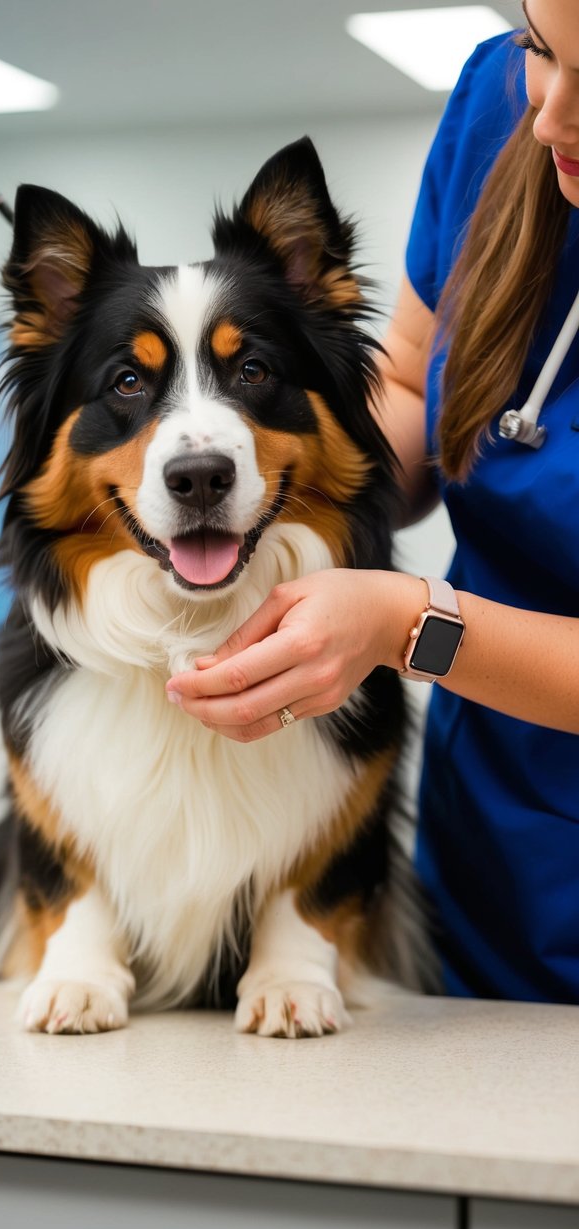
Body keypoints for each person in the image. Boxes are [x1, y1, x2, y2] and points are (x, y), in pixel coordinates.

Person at [166, 0, 579, 1004]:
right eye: (543, 49)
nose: (551, 118)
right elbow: (402, 386)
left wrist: (404, 622)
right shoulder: (497, 102)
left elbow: (407, 625)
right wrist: (276, 496)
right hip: (489, 837)